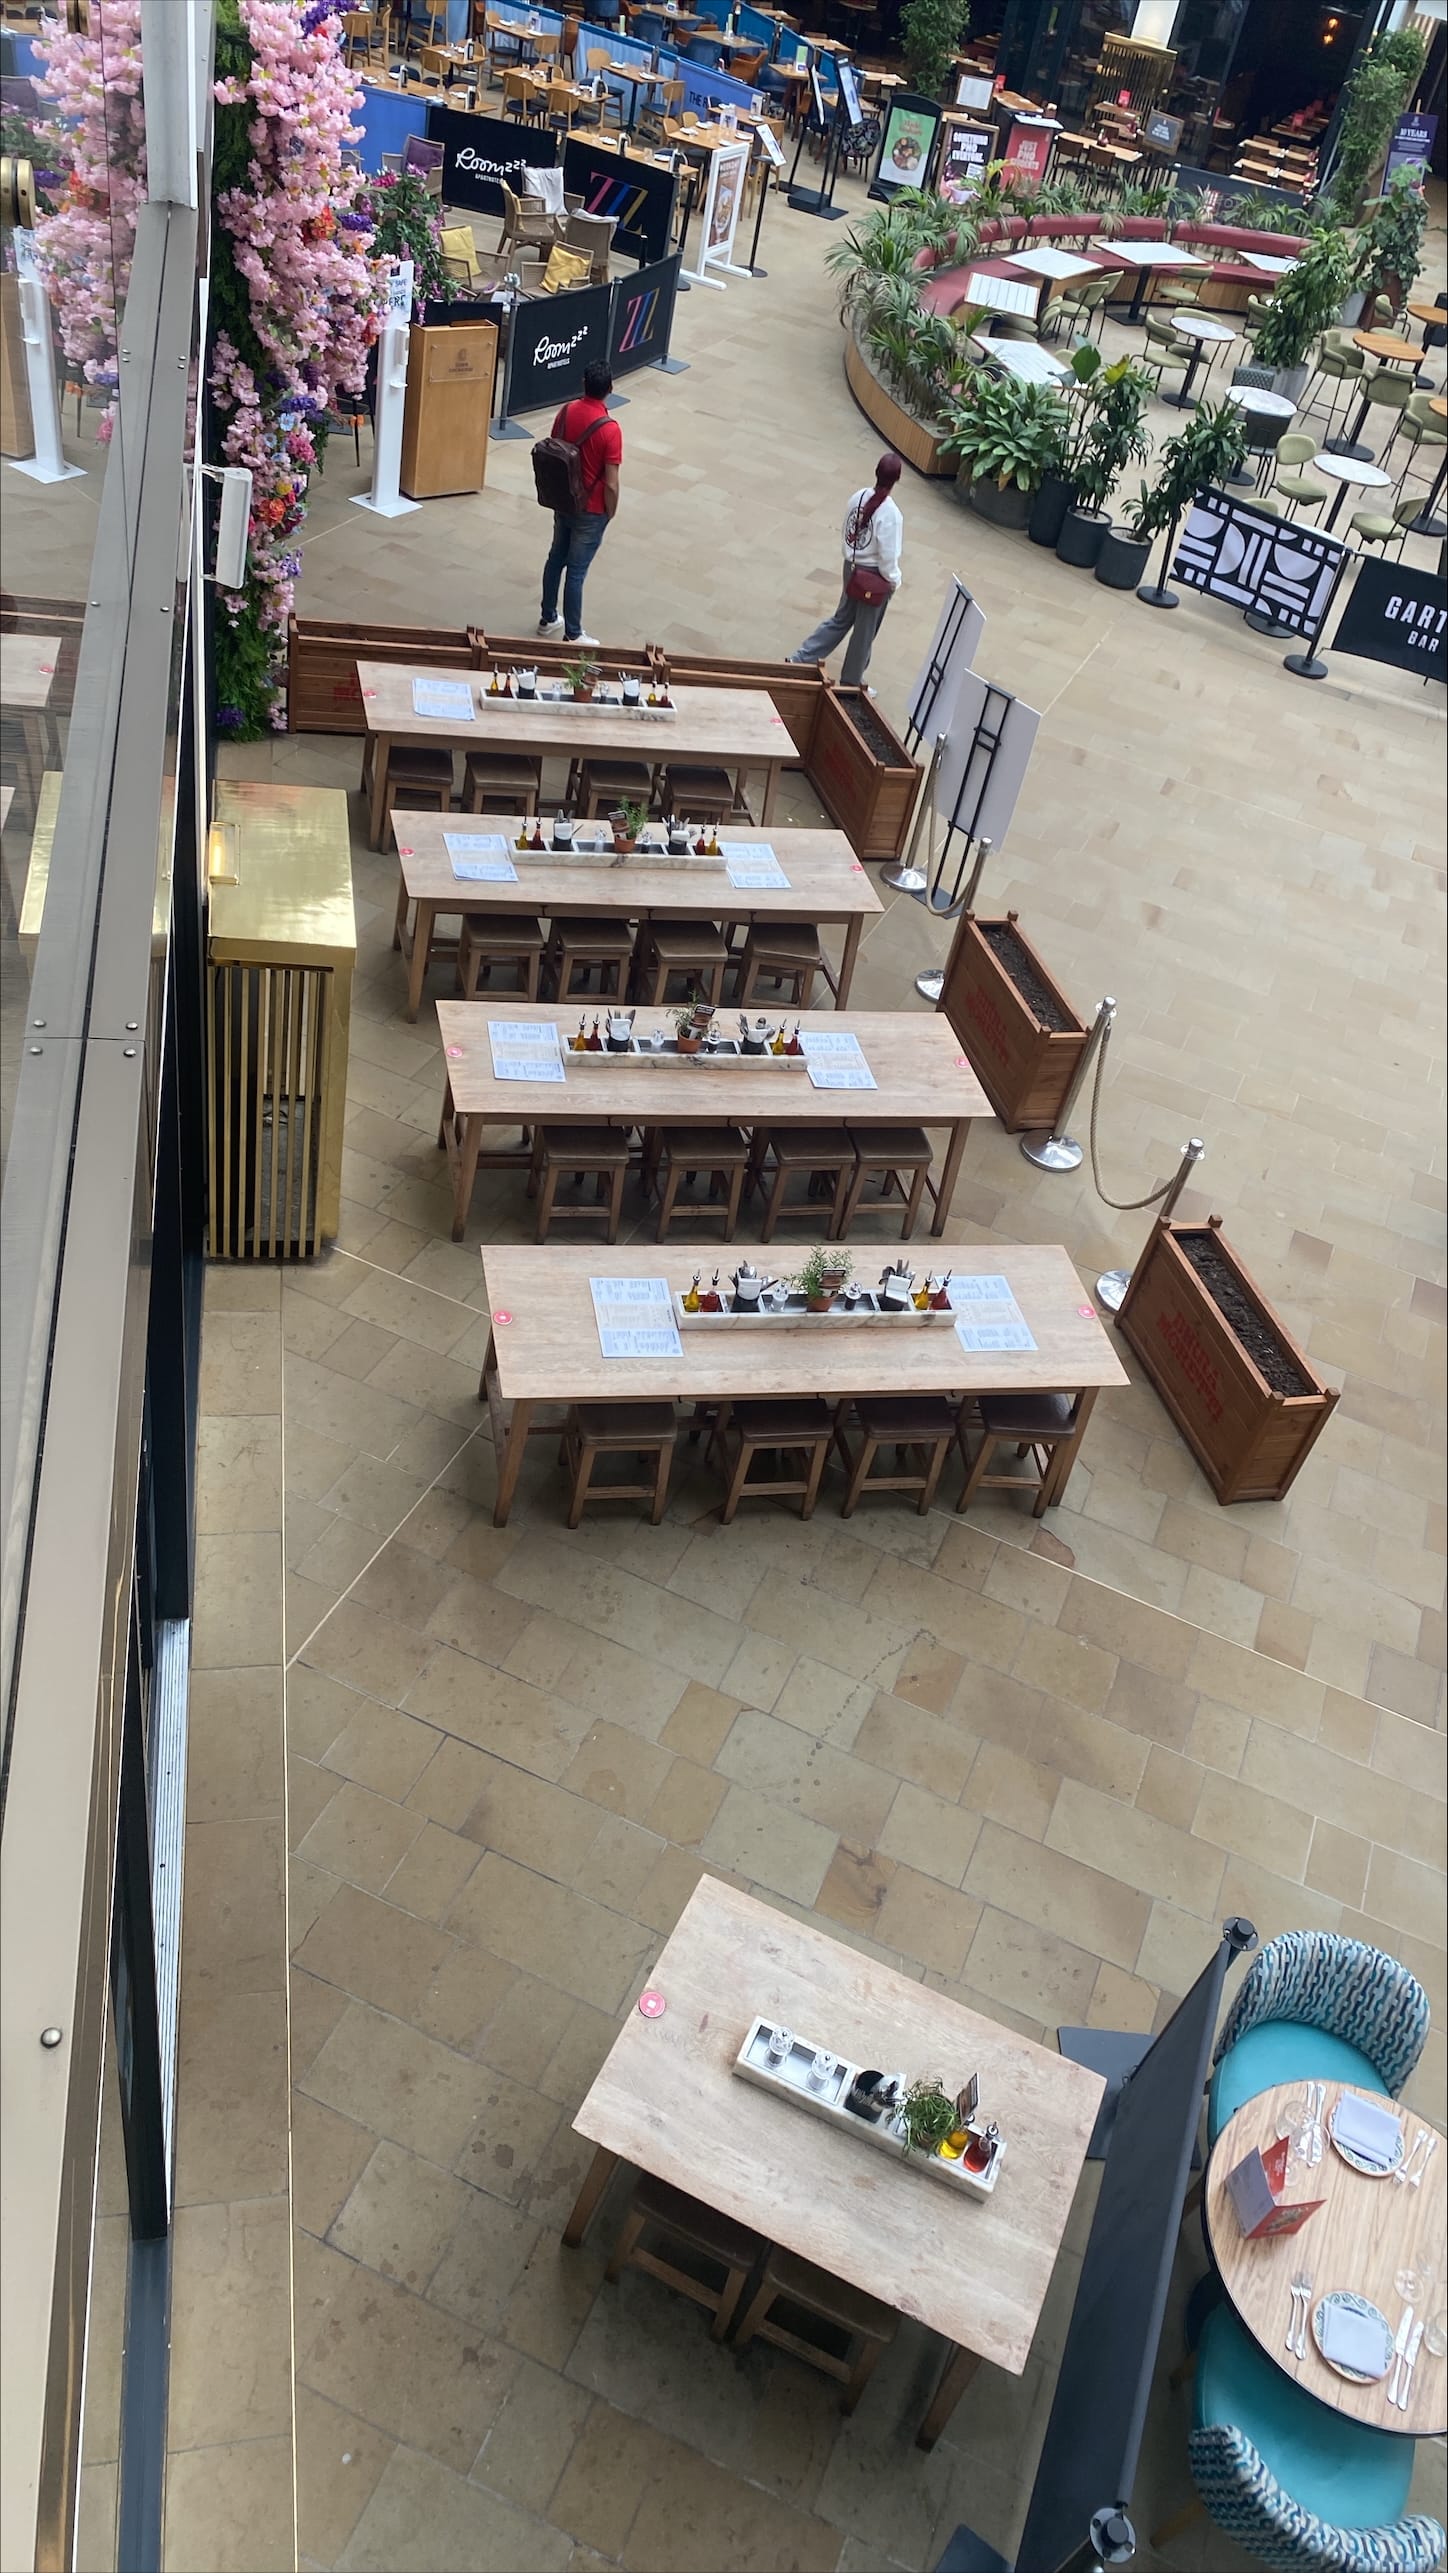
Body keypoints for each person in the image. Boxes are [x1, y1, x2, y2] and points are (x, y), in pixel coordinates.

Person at [788, 454, 904, 687]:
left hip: (851, 568)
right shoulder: (891, 513)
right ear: (896, 479)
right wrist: (894, 581)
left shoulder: (858, 497)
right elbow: (888, 556)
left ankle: (801, 659)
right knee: (865, 631)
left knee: (841, 618)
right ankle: (852, 681)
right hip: (874, 577)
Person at [538, 362, 622, 648]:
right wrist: (610, 511)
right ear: (609, 389)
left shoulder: (566, 411)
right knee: (576, 571)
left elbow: (554, 446)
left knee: (556, 558)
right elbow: (611, 482)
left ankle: (548, 617)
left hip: (564, 500)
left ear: (583, 383)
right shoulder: (610, 430)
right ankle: (573, 633)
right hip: (592, 509)